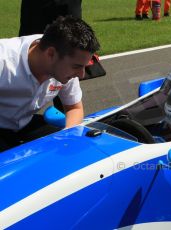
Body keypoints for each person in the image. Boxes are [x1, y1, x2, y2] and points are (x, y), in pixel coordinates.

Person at [0, 16, 100, 152]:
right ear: (51, 53)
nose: (81, 74)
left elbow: (74, 108)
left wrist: (68, 136)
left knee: (72, 149)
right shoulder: (4, 61)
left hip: (24, 124)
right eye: (77, 66)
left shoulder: (64, 61)